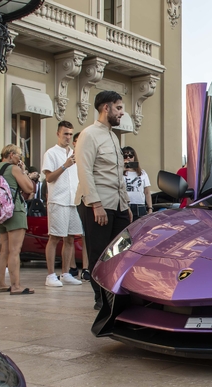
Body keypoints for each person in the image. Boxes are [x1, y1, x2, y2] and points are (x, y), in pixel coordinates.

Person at [75, 90, 132, 310]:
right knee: (99, 252)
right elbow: (85, 170)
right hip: (97, 204)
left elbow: (117, 175)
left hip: (117, 204)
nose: (122, 112)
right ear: (105, 108)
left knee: (121, 251)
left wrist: (125, 204)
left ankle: (117, 294)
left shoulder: (113, 136)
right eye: (118, 107)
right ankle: (101, 299)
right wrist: (95, 204)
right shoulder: (89, 134)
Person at [41, 121, 83, 287]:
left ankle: (66, 273)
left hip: (73, 200)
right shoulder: (51, 153)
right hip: (58, 200)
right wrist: (65, 165)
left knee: (71, 238)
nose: (68, 137)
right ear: (58, 133)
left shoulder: (75, 153)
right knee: (55, 237)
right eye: (65, 133)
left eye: (70, 134)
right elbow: (49, 178)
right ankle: (51, 275)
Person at [0, 144, 35, 295]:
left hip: (0, 212)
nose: (20, 159)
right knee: (15, 250)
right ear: (11, 155)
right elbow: (29, 188)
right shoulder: (14, 169)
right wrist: (24, 172)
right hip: (14, 210)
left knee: (4, 250)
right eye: (19, 155)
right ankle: (16, 286)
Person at [72, 132, 90, 280]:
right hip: (70, 201)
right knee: (70, 238)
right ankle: (71, 268)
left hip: (83, 199)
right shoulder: (69, 158)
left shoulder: (86, 157)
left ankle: (86, 268)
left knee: (85, 237)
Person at [122, 146, 153, 220]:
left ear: (134, 157)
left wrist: (150, 208)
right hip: (125, 205)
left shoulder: (142, 173)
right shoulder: (120, 172)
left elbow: (147, 192)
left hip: (140, 205)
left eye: (130, 155)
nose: (128, 158)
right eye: (125, 156)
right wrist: (122, 167)